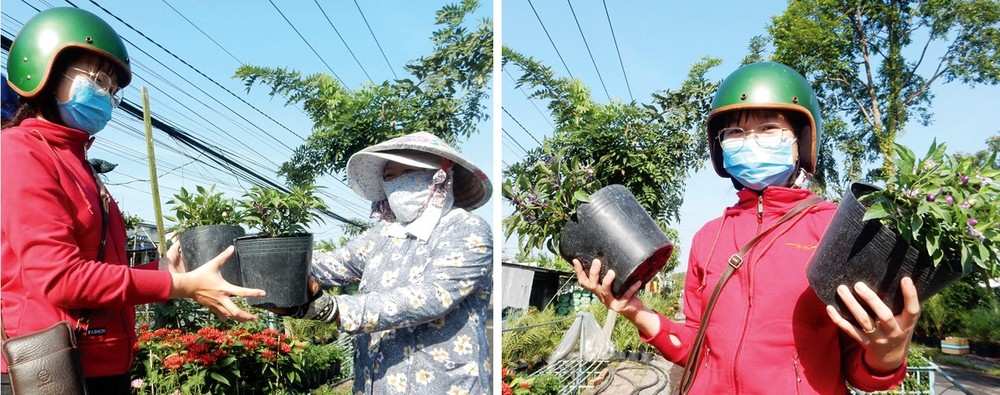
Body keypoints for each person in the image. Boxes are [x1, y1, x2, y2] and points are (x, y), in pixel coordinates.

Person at [573, 62, 919, 394]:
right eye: (735, 132)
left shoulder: (837, 228)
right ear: (719, 146)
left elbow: (858, 367)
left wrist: (887, 354)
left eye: (768, 128)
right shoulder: (708, 237)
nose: (749, 140)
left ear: (802, 140)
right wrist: (634, 309)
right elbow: (695, 351)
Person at [0, 8, 263, 394]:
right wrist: (178, 286)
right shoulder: (20, 153)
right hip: (50, 373)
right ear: (46, 71)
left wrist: (162, 269)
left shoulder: (79, 164)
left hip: (101, 366)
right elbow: (60, 278)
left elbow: (97, 270)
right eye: (97, 80)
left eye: (112, 89)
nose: (105, 95)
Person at [275, 132, 493, 395]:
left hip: (444, 385)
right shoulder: (383, 234)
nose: (399, 181)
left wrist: (331, 309)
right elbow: (330, 264)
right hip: (376, 383)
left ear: (439, 177)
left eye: (410, 171)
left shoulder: (465, 228)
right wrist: (268, 260)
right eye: (390, 175)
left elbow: (434, 296)